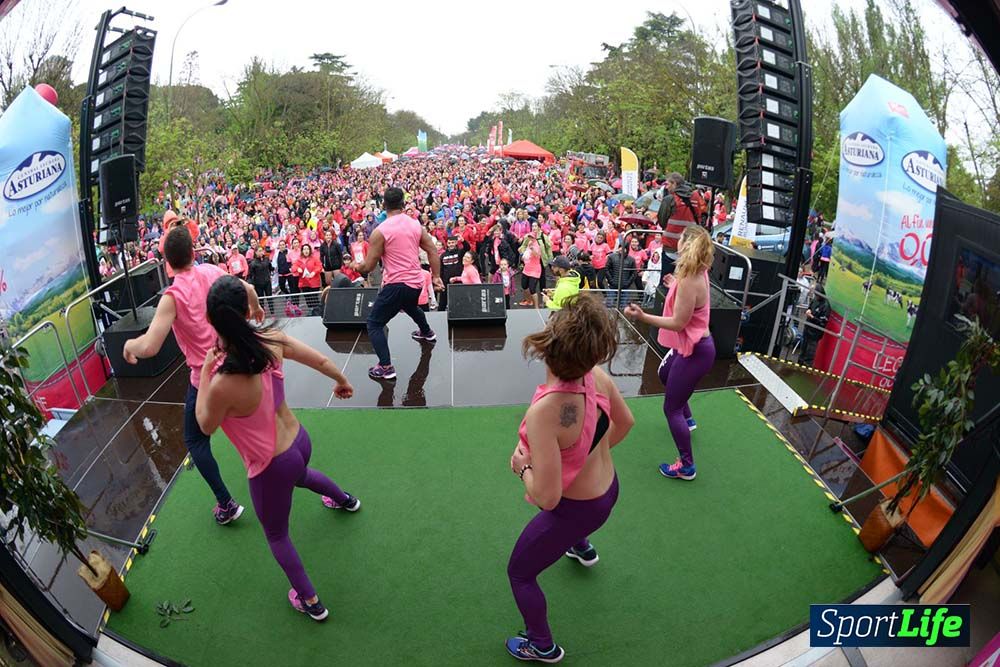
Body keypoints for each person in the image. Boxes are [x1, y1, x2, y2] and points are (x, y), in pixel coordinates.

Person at [196, 275, 359, 622]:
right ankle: (346, 500)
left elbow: (205, 426)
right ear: (246, 309)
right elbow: (319, 360)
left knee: (277, 535)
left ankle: (311, 600)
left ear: (211, 321)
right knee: (301, 474)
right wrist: (341, 381)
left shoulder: (223, 380)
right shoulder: (270, 338)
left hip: (271, 466)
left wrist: (205, 374)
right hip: (300, 441)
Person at [506, 294, 634, 662]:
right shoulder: (595, 374)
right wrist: (587, 454)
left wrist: (522, 467)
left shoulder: (545, 412)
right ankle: (581, 546)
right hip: (609, 489)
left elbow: (547, 497)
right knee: (573, 515)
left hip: (578, 509)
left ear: (548, 348)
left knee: (520, 573)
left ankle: (541, 644)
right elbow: (626, 423)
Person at [123, 225, 263, 524]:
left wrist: (128, 344)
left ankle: (226, 504)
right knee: (254, 425)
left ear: (167, 262)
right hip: (237, 363)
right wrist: (257, 307)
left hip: (206, 380)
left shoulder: (171, 297)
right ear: (192, 250)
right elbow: (248, 288)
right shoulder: (212, 271)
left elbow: (149, 346)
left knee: (196, 441)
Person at [624, 225, 716, 480]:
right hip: (694, 347)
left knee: (670, 408)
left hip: (695, 351)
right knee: (664, 374)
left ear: (686, 244)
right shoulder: (695, 272)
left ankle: (687, 467)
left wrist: (643, 316)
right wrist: (675, 284)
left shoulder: (690, 280)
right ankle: (688, 419)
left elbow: (678, 323)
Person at [357, 187, 444, 381]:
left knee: (374, 324)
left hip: (396, 285)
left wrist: (357, 266)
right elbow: (432, 250)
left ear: (383, 205)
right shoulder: (415, 225)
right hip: (416, 283)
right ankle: (427, 332)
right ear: (403, 204)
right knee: (410, 306)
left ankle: (386, 367)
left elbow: (368, 267)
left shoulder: (380, 231)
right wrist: (436, 276)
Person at [799, 283, 830, 366]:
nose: (815, 296)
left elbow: (823, 322)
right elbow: (810, 307)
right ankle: (800, 362)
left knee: (810, 352)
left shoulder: (826, 305)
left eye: (815, 294)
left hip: (815, 333)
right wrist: (808, 310)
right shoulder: (815, 299)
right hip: (807, 328)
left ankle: (806, 367)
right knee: (803, 348)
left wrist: (812, 317)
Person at [293, 243, 323, 313]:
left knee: (314, 297)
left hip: (314, 281)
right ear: (302, 251)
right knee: (307, 298)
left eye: (307, 249)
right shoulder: (299, 259)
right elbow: (293, 267)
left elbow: (319, 266)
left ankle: (318, 311)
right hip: (304, 282)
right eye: (304, 249)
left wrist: (314, 272)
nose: (306, 251)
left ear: (310, 250)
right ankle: (311, 310)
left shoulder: (314, 258)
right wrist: (297, 269)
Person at [438, 236, 464, 311]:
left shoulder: (460, 252)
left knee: (458, 301)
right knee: (443, 302)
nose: (451, 244)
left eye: (452, 242)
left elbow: (467, 248)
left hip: (458, 281)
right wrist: (440, 282)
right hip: (446, 282)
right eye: (449, 243)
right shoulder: (443, 255)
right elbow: (441, 269)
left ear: (456, 243)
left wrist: (463, 241)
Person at [248, 245, 274, 313]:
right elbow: (250, 275)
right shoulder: (253, 263)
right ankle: (262, 313)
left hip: (267, 282)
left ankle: (272, 312)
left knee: (269, 298)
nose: (261, 252)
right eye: (259, 251)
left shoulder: (266, 259)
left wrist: (273, 270)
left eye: (262, 250)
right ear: (256, 252)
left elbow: (270, 268)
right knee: (261, 299)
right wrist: (251, 284)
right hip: (258, 284)